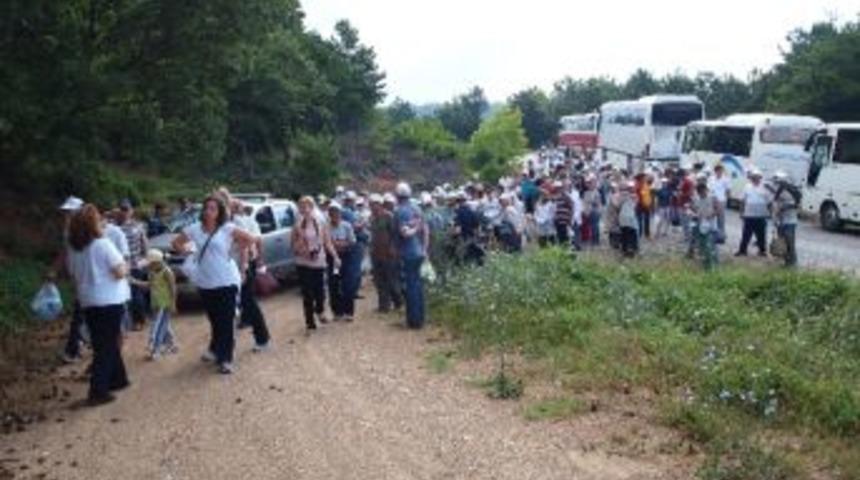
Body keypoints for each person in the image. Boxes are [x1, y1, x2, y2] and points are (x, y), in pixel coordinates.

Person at [171, 196, 259, 374]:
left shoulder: (227, 228)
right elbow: (176, 243)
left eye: (213, 208)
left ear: (220, 212)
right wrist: (190, 252)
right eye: (206, 208)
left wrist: (235, 249)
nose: (208, 211)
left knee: (226, 320)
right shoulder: (195, 229)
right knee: (214, 319)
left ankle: (226, 358)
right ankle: (215, 348)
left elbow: (251, 239)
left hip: (226, 280)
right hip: (205, 281)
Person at [66, 204, 130, 406]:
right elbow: (119, 271)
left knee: (103, 340)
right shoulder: (102, 244)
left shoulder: (74, 249)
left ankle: (119, 378)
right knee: (107, 345)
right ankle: (98, 390)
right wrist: (127, 267)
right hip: (109, 299)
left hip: (88, 300)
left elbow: (72, 275)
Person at [292, 196, 340, 331]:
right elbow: (293, 245)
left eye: (306, 206)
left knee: (319, 292)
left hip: (319, 261)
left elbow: (327, 242)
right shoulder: (297, 225)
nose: (304, 209)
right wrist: (301, 247)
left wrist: (335, 256)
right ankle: (310, 322)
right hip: (303, 262)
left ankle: (319, 310)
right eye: (301, 207)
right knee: (307, 293)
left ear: (312, 207)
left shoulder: (321, 222)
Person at [230, 200, 271, 351]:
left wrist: (259, 259)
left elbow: (255, 241)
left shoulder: (244, 222)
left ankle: (262, 337)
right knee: (241, 300)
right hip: (230, 267)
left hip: (245, 264)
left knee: (248, 299)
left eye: (237, 207)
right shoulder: (222, 224)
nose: (236, 209)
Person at [130, 249, 178, 360]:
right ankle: (170, 344)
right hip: (156, 302)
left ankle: (155, 349)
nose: (148, 266)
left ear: (156, 262)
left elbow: (173, 288)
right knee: (163, 324)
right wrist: (134, 281)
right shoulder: (152, 272)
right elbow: (150, 285)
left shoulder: (167, 272)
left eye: (149, 264)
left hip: (165, 304)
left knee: (158, 326)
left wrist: (173, 303)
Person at [394, 183, 429, 329]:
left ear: (397, 196)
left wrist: (414, 228)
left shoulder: (400, 211)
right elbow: (426, 231)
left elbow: (405, 233)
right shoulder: (417, 209)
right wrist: (425, 249)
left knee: (411, 287)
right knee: (418, 286)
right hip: (419, 251)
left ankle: (413, 321)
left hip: (408, 253)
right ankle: (420, 318)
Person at [116, 199, 149, 331]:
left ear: (131, 211)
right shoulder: (117, 226)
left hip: (133, 265)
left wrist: (144, 259)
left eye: (126, 209)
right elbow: (145, 244)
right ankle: (135, 320)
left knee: (135, 294)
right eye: (122, 209)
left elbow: (145, 244)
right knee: (130, 293)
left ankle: (139, 320)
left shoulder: (135, 226)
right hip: (122, 265)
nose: (124, 212)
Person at [369, 194, 402, 313]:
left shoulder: (388, 216)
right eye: (371, 205)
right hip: (376, 253)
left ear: (380, 204)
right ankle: (383, 306)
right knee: (379, 280)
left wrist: (393, 247)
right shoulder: (372, 218)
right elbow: (372, 235)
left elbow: (395, 233)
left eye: (375, 204)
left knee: (391, 279)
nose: (373, 207)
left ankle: (398, 302)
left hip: (388, 253)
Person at [327, 203, 357, 322]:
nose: (334, 215)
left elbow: (352, 241)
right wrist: (338, 244)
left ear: (340, 213)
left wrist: (340, 244)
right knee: (334, 284)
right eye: (331, 212)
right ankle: (337, 312)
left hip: (346, 257)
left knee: (348, 285)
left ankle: (349, 312)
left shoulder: (346, 226)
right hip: (333, 259)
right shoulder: (326, 227)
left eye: (336, 212)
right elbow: (327, 243)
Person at [736, 169, 770, 257]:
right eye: (753, 177)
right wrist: (741, 212)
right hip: (749, 214)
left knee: (761, 234)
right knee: (746, 234)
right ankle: (742, 250)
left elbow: (769, 201)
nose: (755, 179)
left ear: (760, 178)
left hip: (761, 214)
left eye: (757, 177)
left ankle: (762, 251)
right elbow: (742, 200)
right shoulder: (747, 187)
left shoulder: (765, 188)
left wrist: (769, 213)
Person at [771, 171, 800, 267]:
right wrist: (775, 218)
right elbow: (775, 204)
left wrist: (783, 207)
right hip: (781, 221)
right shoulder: (778, 191)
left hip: (790, 221)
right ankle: (786, 261)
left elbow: (796, 205)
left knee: (790, 242)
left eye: (778, 181)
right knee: (783, 242)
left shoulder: (791, 191)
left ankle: (793, 262)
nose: (776, 184)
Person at [690, 182, 722, 270]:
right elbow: (693, 208)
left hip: (711, 226)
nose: (702, 194)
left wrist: (712, 214)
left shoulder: (712, 198)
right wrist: (693, 213)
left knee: (711, 246)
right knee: (703, 246)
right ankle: (706, 266)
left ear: (706, 190)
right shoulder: (697, 199)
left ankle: (715, 265)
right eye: (700, 192)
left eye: (703, 192)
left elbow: (719, 209)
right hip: (701, 226)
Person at [709, 164, 731, 243]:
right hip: (712, 199)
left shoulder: (726, 179)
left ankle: (721, 237)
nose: (719, 171)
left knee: (721, 220)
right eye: (718, 170)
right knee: (711, 218)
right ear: (715, 171)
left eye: (720, 170)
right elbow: (709, 189)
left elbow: (728, 191)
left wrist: (725, 200)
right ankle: (713, 236)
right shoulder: (711, 178)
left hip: (721, 200)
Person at [618, 182, 639, 257]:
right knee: (631, 235)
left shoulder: (622, 195)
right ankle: (631, 249)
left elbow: (618, 205)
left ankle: (625, 250)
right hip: (629, 218)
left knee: (625, 235)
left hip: (624, 217)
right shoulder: (633, 196)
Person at [635, 174, 654, 240]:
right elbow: (638, 196)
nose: (644, 179)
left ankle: (646, 234)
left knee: (646, 220)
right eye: (643, 178)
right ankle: (640, 234)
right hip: (639, 205)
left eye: (645, 178)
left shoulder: (646, 184)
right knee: (639, 220)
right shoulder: (637, 186)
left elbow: (651, 179)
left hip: (646, 205)